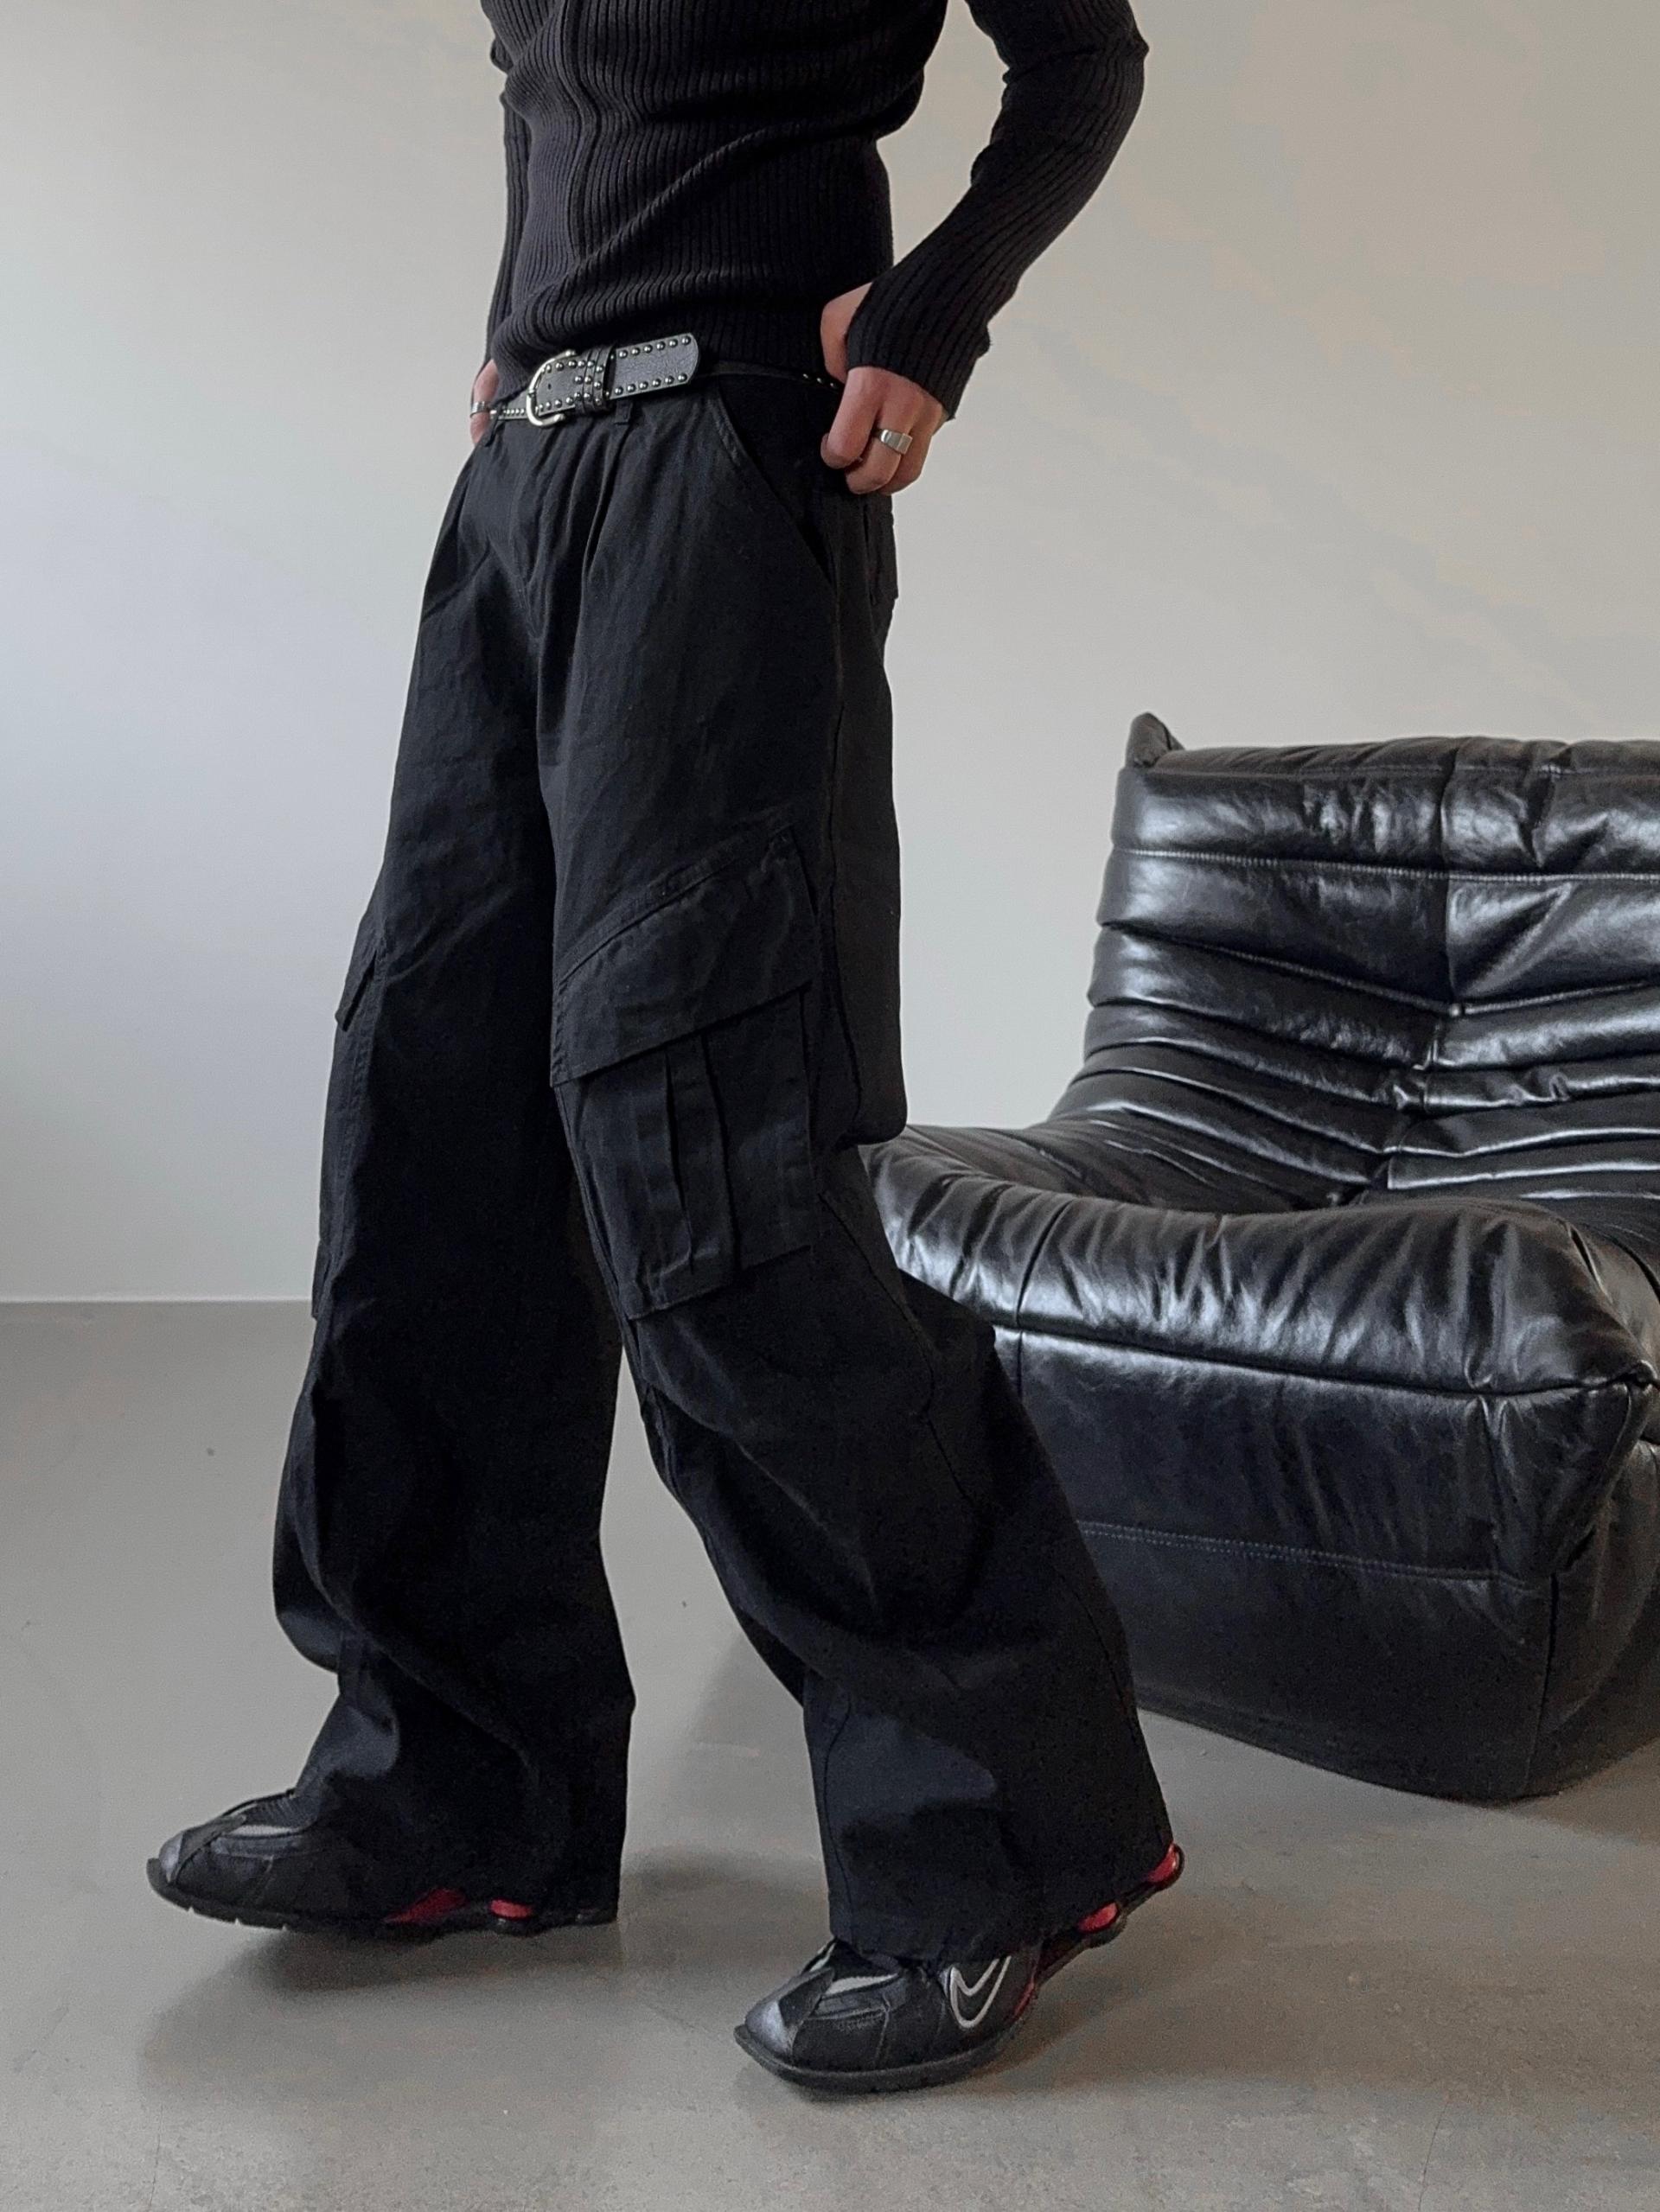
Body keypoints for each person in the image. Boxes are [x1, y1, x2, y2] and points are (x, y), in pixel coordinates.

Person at [150, 0, 1179, 2093]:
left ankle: (996, 1843)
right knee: (430, 1135)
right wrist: (521, 335)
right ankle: (461, 1785)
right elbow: (559, 93)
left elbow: (1083, 57)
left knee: (711, 1159)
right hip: (523, 486)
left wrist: (931, 314)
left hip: (729, 463)